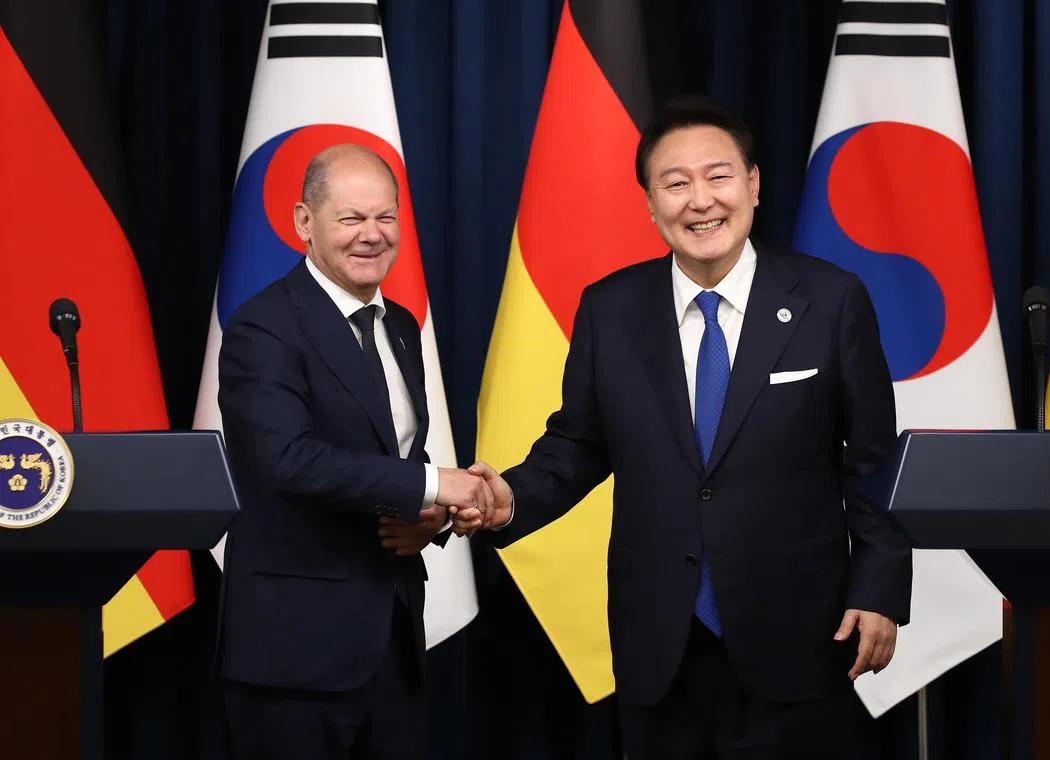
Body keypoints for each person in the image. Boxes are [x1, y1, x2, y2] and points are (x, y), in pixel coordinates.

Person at [458, 97, 913, 758]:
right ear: (649, 203)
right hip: (658, 642)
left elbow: (873, 461)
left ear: (753, 184)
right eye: (675, 183)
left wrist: (879, 589)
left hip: (797, 634)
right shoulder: (610, 310)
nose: (700, 200)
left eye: (718, 176)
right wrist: (510, 500)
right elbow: (579, 446)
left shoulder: (831, 300)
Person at [214, 143, 489, 760]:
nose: (372, 235)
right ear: (303, 223)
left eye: (385, 218)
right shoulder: (264, 325)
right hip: (296, 655)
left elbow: (388, 461)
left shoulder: (399, 327)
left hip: (392, 642)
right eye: (351, 218)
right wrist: (433, 485)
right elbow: (286, 458)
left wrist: (429, 518)